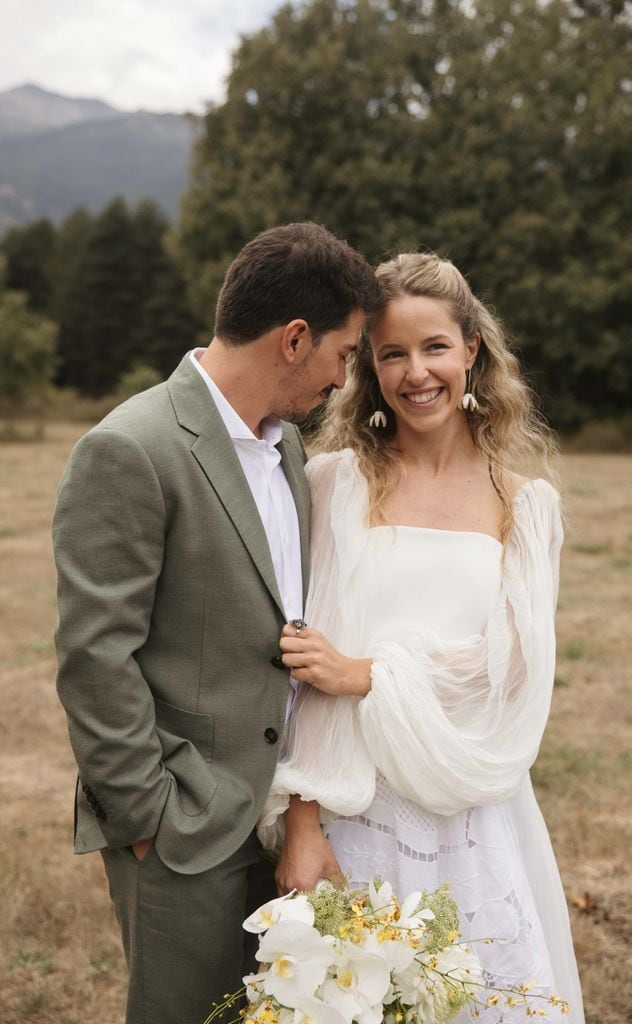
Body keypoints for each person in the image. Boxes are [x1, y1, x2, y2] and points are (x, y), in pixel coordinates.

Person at [52, 222, 380, 1024]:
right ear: (294, 339)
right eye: (343, 354)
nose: (343, 380)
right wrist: (147, 821)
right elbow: (96, 658)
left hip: (273, 824)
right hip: (179, 831)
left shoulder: (290, 452)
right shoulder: (131, 448)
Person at [259, 253, 585, 1022]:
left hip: (474, 811)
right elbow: (307, 678)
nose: (417, 373)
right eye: (391, 353)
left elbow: (511, 674)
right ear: (368, 367)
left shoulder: (526, 508)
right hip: (356, 809)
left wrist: (371, 674)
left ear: (472, 347)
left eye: (434, 346)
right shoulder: (333, 486)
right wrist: (302, 825)